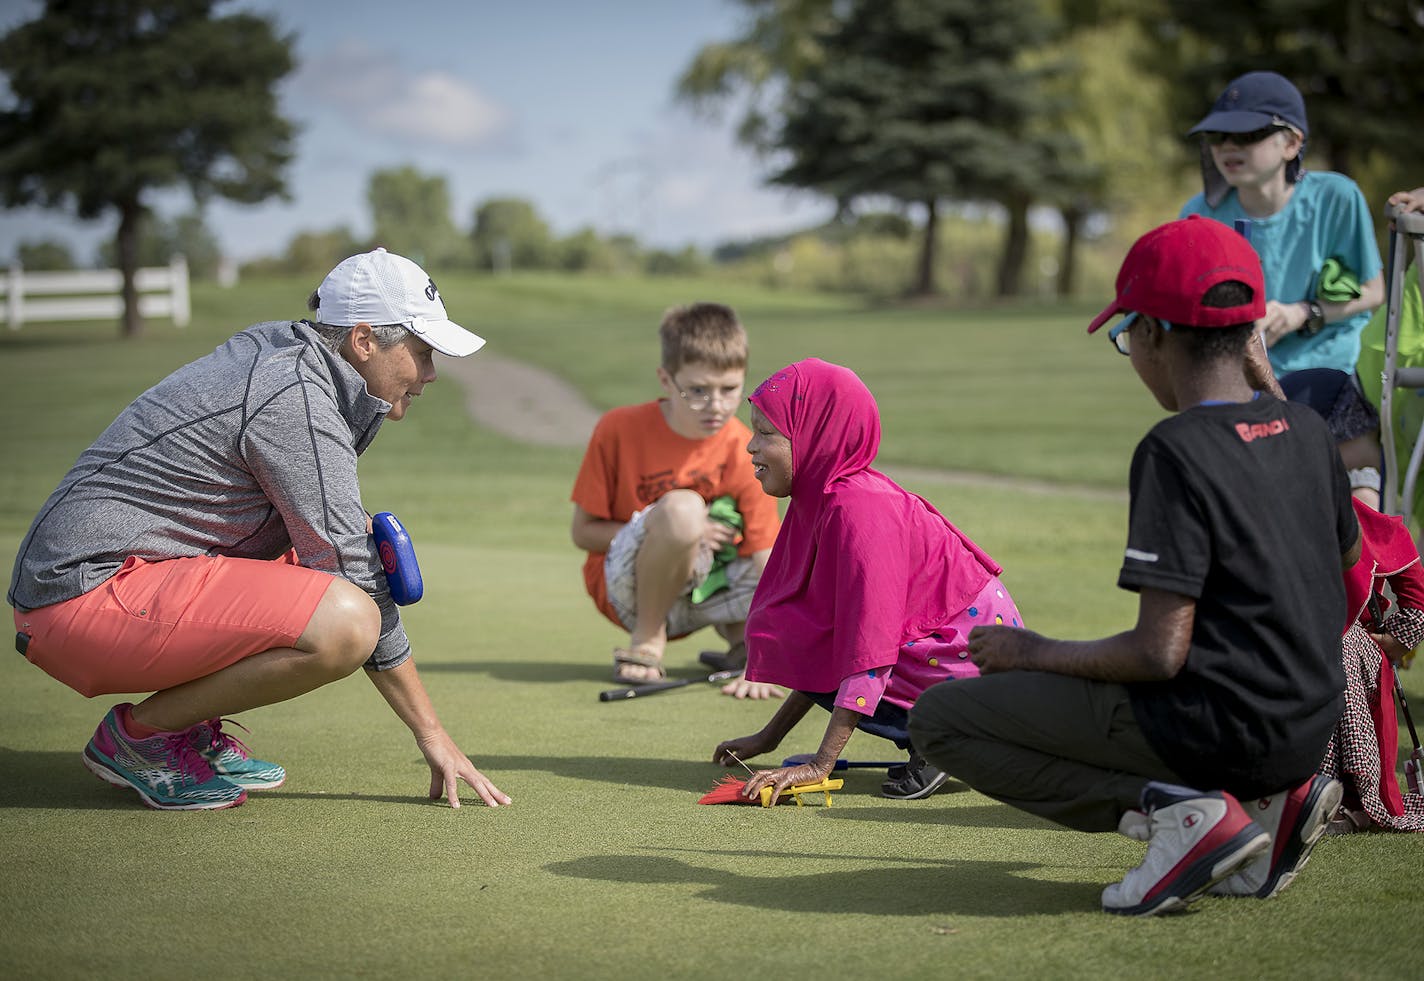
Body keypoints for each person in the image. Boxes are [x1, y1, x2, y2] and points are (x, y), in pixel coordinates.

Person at [910, 216, 1359, 916]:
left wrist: (1028, 650)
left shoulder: (1173, 449)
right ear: (1249, 337)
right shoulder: (1303, 428)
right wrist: (1270, 387)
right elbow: (1349, 559)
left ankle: (1174, 815)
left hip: (1220, 729)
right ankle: (1271, 809)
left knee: (940, 719)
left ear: (1151, 334)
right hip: (1309, 730)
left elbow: (1157, 652)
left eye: (1127, 337)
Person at [8, 248, 511, 812]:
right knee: (348, 621)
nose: (431, 374)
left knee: (310, 569)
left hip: (99, 584)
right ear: (364, 342)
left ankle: (183, 729)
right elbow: (353, 571)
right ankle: (141, 739)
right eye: (421, 353)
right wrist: (432, 733)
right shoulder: (293, 394)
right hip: (78, 599)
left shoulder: (292, 360)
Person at [711, 358, 1023, 802]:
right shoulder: (822, 499)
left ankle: (946, 741)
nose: (750, 447)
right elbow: (822, 640)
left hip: (976, 681)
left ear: (815, 436)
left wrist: (820, 765)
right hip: (954, 665)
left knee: (858, 651)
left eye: (766, 433)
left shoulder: (858, 509)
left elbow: (868, 649)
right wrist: (769, 738)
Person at [570, 302, 781, 698]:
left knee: (793, 560)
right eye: (697, 390)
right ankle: (647, 642)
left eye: (729, 389)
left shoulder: (744, 445)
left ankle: (743, 643)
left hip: (705, 593)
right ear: (666, 380)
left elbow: (764, 558)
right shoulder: (618, 429)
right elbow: (583, 532)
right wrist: (681, 530)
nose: (716, 405)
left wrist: (768, 658)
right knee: (684, 510)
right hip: (630, 591)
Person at [1180, 70, 1383, 377]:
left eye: (1247, 135)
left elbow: (1374, 291)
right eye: (1218, 136)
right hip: (1238, 373)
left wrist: (1303, 313)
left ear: (1291, 143)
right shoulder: (1197, 214)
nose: (1228, 146)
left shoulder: (1336, 197)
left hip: (1330, 365)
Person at [1323, 499, 1424, 833]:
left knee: (1339, 649)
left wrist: (1397, 640)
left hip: (1349, 649)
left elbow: (1417, 603)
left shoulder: (1361, 518)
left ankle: (1352, 799)